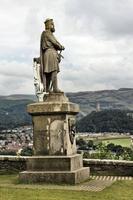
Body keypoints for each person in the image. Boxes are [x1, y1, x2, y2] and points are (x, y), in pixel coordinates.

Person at [40, 18, 65, 93]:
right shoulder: (47, 33)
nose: (53, 26)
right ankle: (55, 88)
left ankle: (48, 89)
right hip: (50, 53)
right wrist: (61, 46)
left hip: (50, 53)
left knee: (49, 72)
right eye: (52, 24)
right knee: (53, 71)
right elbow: (55, 43)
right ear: (48, 25)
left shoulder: (47, 33)